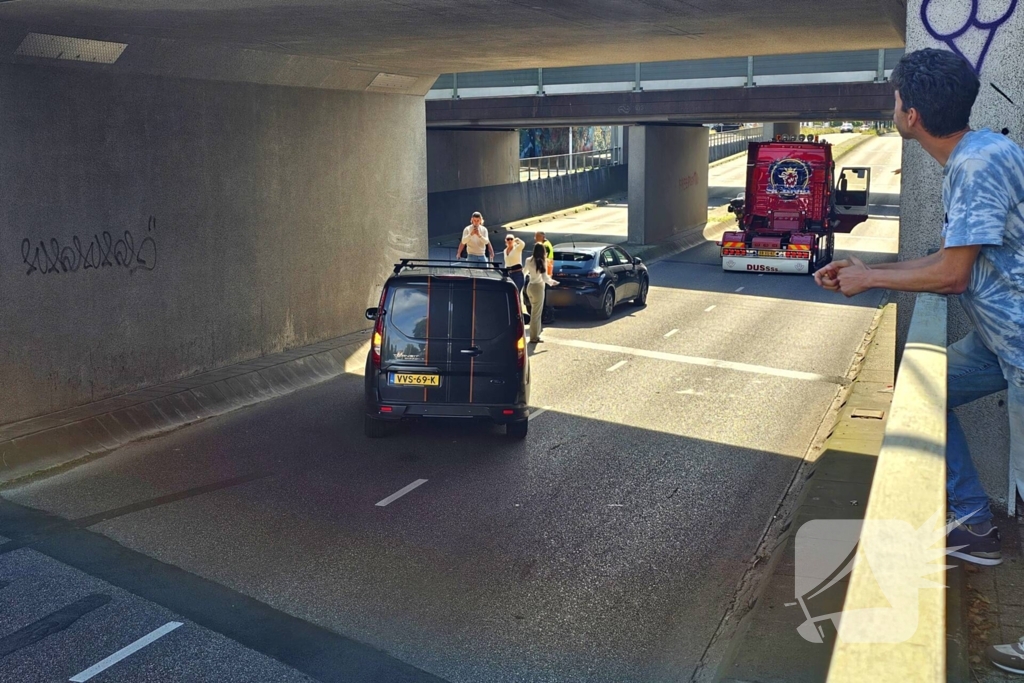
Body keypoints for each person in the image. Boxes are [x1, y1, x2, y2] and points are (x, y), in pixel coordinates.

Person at [814, 48, 1024, 565]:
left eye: (896, 99)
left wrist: (870, 280)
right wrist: (867, 274)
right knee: (921, 395)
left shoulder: (976, 166)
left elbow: (952, 277)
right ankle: (973, 524)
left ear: (912, 116)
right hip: (1001, 342)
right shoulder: (976, 156)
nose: (894, 107)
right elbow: (952, 260)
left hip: (1019, 348)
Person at [523, 243, 557, 344]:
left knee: (534, 312)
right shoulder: (543, 261)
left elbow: (524, 272)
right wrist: (553, 282)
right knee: (536, 314)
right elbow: (545, 278)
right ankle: (534, 337)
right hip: (538, 288)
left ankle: (535, 335)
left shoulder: (528, 260)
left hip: (530, 286)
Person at [534, 231, 556, 323]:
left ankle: (548, 317)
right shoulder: (547, 243)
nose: (535, 239)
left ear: (542, 237)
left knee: (546, 298)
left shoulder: (544, 246)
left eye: (537, 237)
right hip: (548, 272)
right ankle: (547, 317)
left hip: (545, 273)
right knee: (547, 297)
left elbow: (541, 259)